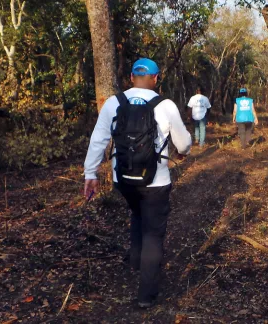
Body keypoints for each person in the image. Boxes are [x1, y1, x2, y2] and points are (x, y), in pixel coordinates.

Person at [83, 58, 192, 308]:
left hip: (122, 180)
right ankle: (146, 296)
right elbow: (184, 143)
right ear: (156, 78)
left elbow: (98, 139)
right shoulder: (165, 105)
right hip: (156, 181)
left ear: (131, 77)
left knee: (137, 212)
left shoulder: (114, 103)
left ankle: (135, 260)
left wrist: (91, 174)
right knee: (153, 231)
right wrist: (182, 151)